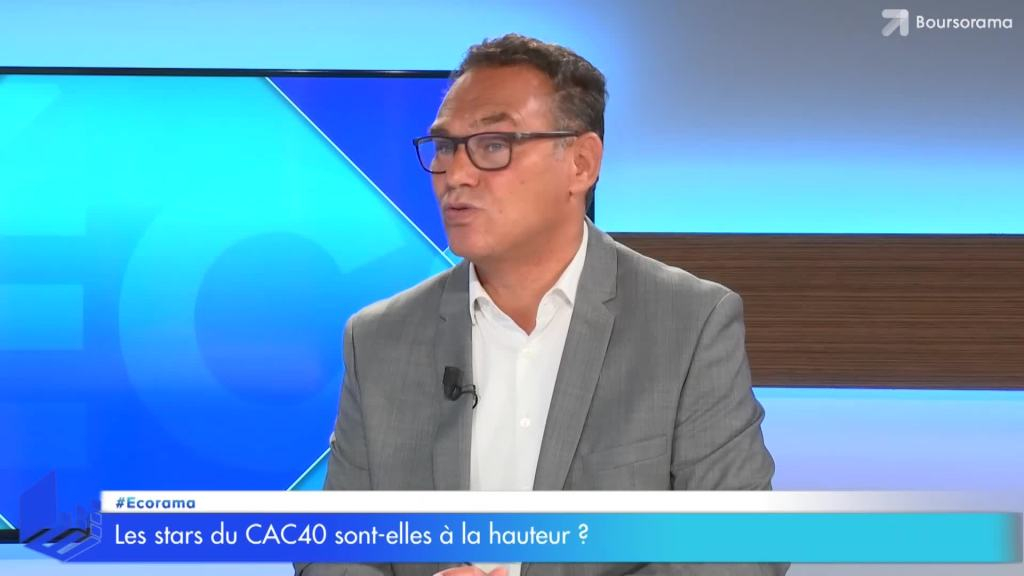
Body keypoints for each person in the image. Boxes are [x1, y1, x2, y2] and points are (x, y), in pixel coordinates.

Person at [296, 33, 783, 576]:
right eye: (446, 146)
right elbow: (329, 551)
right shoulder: (378, 339)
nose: (456, 174)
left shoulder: (690, 324)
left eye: (493, 145)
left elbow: (742, 549)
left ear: (581, 163)